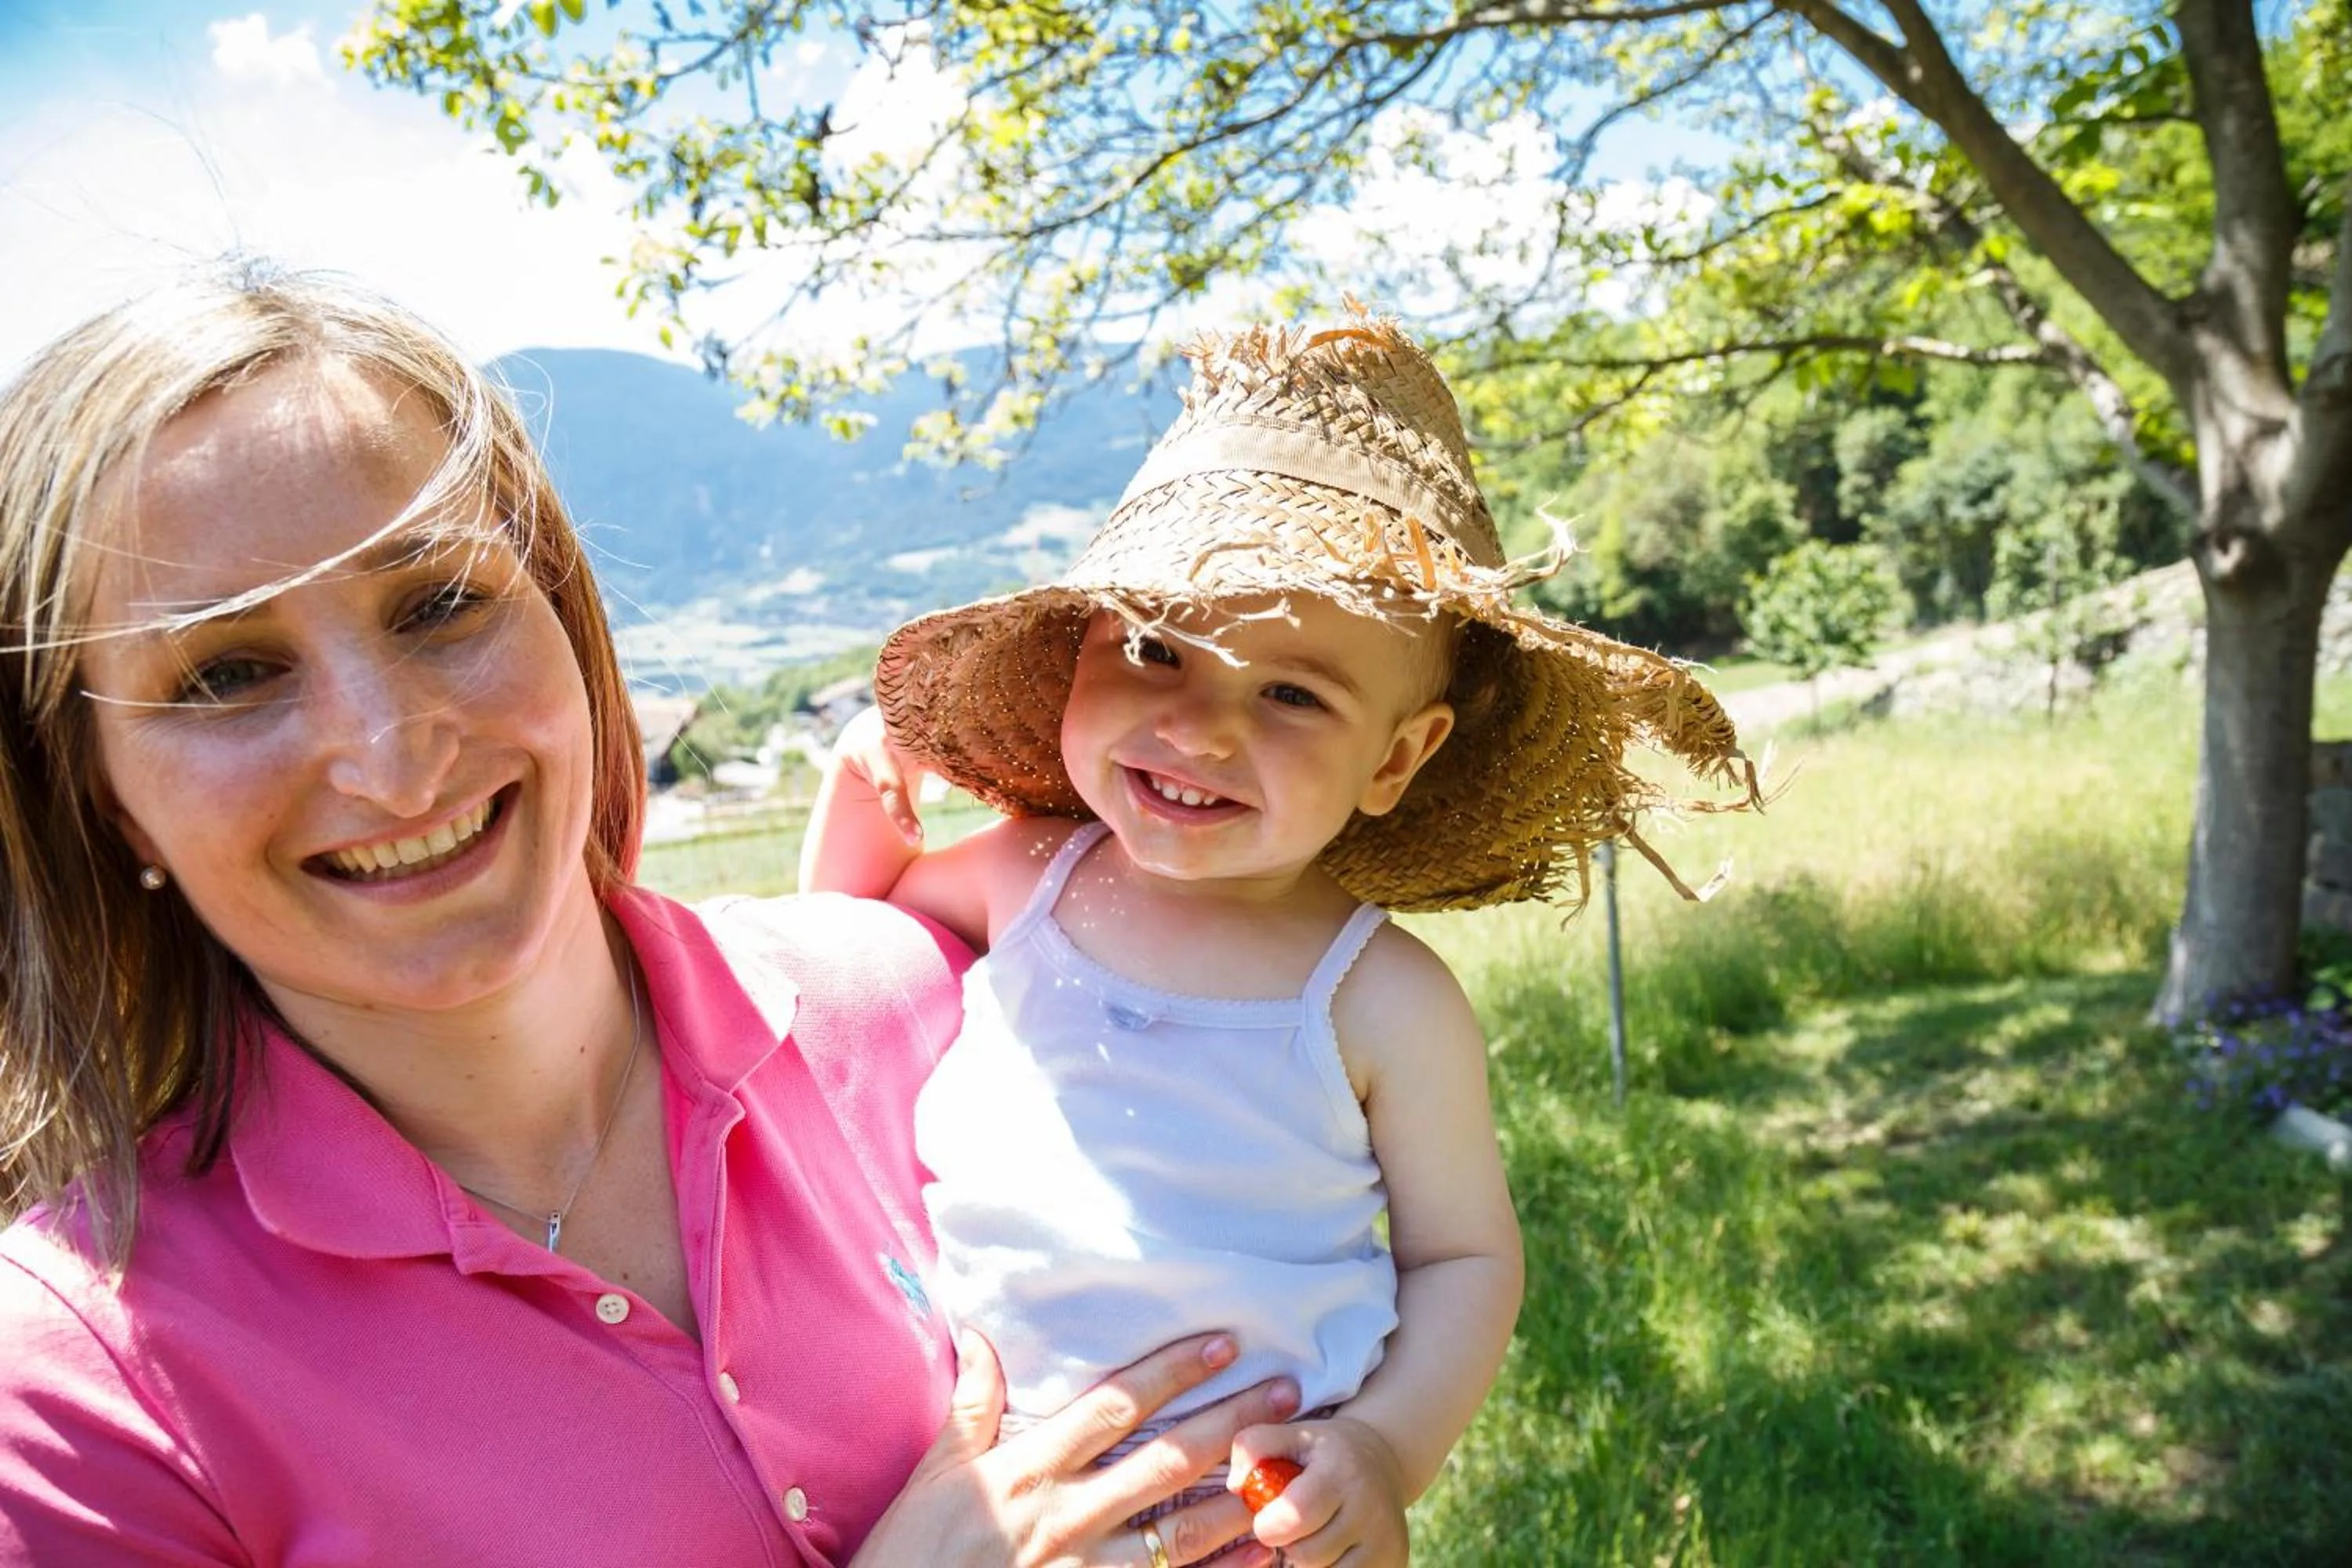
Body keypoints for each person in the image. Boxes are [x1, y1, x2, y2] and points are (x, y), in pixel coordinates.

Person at [0, 260, 1309, 1568]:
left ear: (565, 618)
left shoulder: (929, 1001)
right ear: (104, 800)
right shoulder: (77, 1408)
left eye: (441, 602)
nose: (393, 760)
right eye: (228, 672)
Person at [800, 308, 1760, 1566]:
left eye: (1292, 694)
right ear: (1076, 654)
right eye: (1153, 649)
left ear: (1396, 758)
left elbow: (1466, 1257)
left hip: (1247, 1517)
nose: (1198, 730)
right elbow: (842, 982)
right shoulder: (1027, 872)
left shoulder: (1376, 997)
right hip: (967, 1493)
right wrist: (858, 814)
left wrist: (1385, 1452)